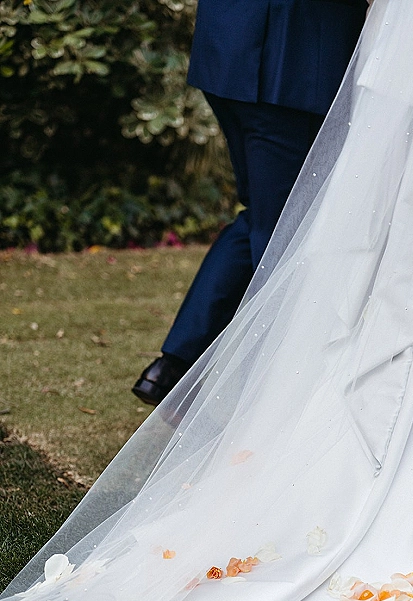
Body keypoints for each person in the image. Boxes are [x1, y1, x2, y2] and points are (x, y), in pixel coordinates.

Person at [0, 0, 413, 601]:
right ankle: (261, 399)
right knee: (301, 251)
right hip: (375, 70)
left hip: (374, 67)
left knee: (324, 251)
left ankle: (196, 372)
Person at [132, 0, 368, 406]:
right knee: (282, 236)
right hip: (289, 61)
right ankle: (260, 396)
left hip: (233, 45)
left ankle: (175, 366)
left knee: (267, 219)